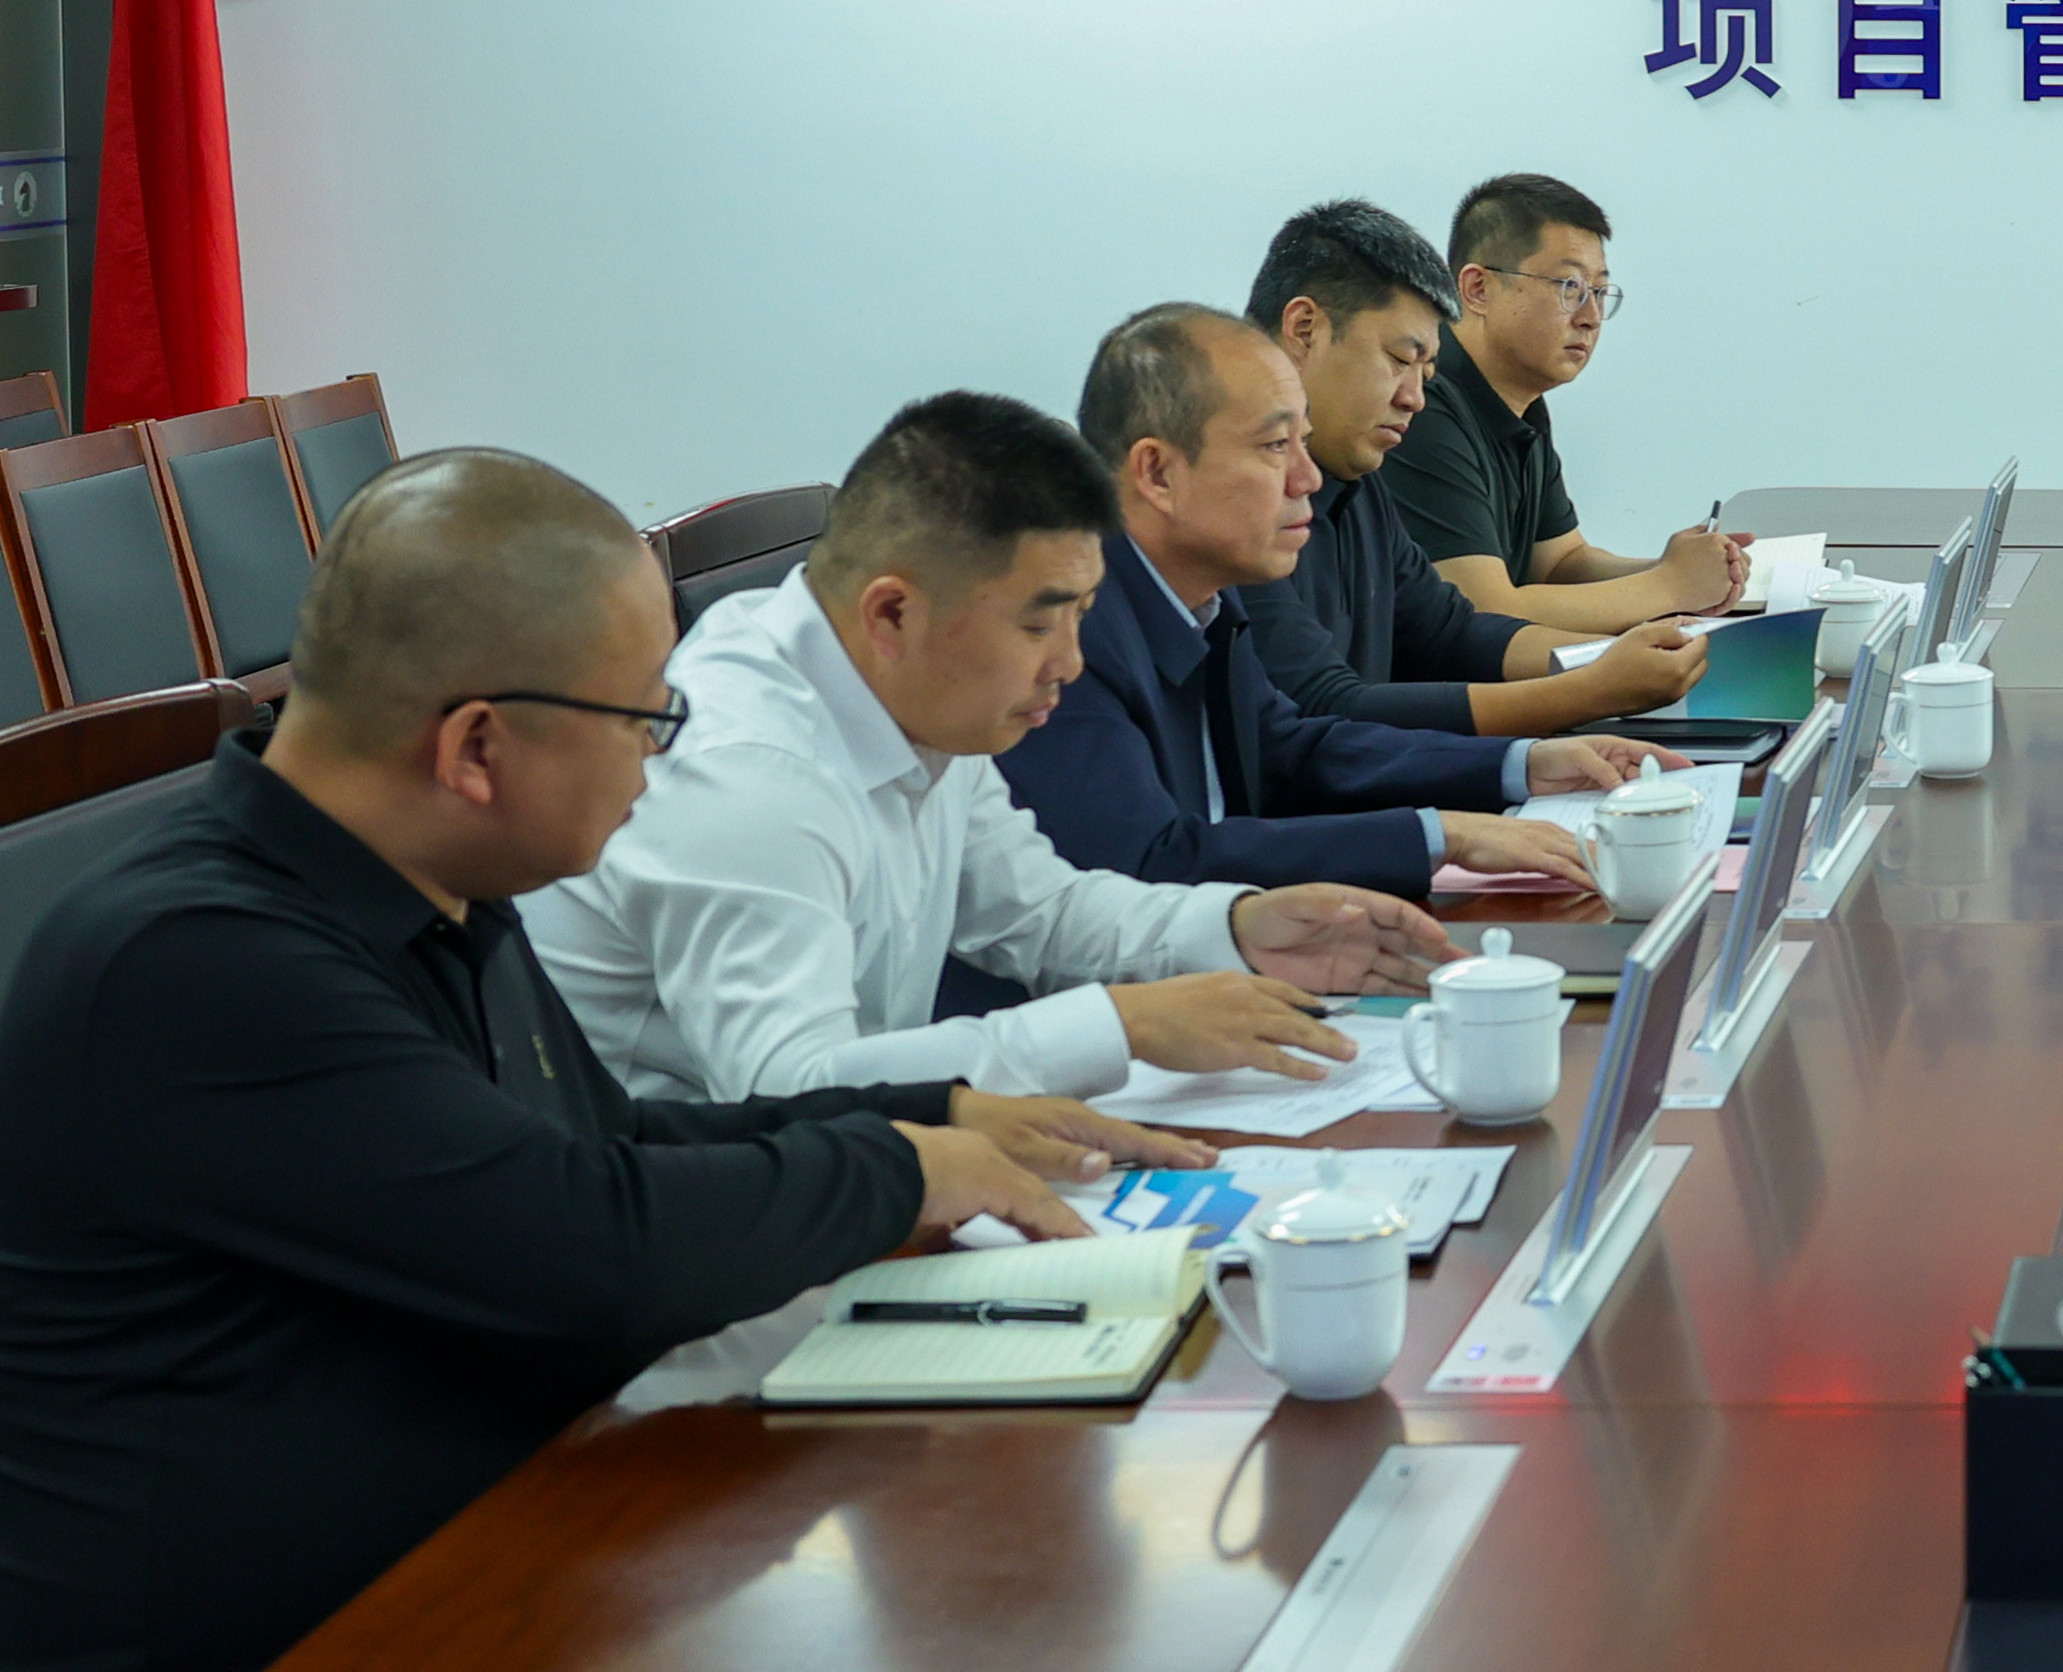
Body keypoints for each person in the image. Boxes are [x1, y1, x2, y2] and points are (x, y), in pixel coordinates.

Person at [0, 451, 1216, 1672]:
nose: (663, 755)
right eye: (644, 717)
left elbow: (610, 1142)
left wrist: (925, 1123)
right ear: (477, 749)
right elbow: (586, 1250)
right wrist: (896, 1172)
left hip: (479, 1612)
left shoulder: (434, 888)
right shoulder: (199, 962)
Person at [531, 392, 1457, 1104]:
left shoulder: (921, 696)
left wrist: (1234, 928)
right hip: (686, 1239)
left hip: (849, 1178)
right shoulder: (751, 774)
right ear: (892, 613)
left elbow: (1036, 912)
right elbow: (791, 1087)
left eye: (1082, 615)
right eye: (1037, 624)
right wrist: (1120, 1025)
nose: (1070, 663)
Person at [999, 303, 1621, 903]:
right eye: (1275, 446)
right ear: (1158, 473)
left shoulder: (1206, 600)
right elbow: (1149, 864)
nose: (1308, 478)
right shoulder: (1066, 631)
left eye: (1305, 442)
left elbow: (1291, 749)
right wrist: (1437, 837)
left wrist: (1521, 764)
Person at [1243, 196, 1702, 737]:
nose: (1414, 398)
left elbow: (1452, 629)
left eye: (1425, 370)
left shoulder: (1357, 478)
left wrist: (1618, 658)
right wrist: (1590, 688)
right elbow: (1322, 710)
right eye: (1399, 360)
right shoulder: (1235, 496)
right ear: (1304, 329)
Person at [1387, 169, 1742, 632]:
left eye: (1599, 292)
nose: (1590, 317)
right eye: (1569, 287)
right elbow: (1482, 612)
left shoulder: (1522, 404)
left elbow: (1560, 563)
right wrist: (1671, 586)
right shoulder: (1422, 404)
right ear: (1478, 289)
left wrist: (1680, 568)